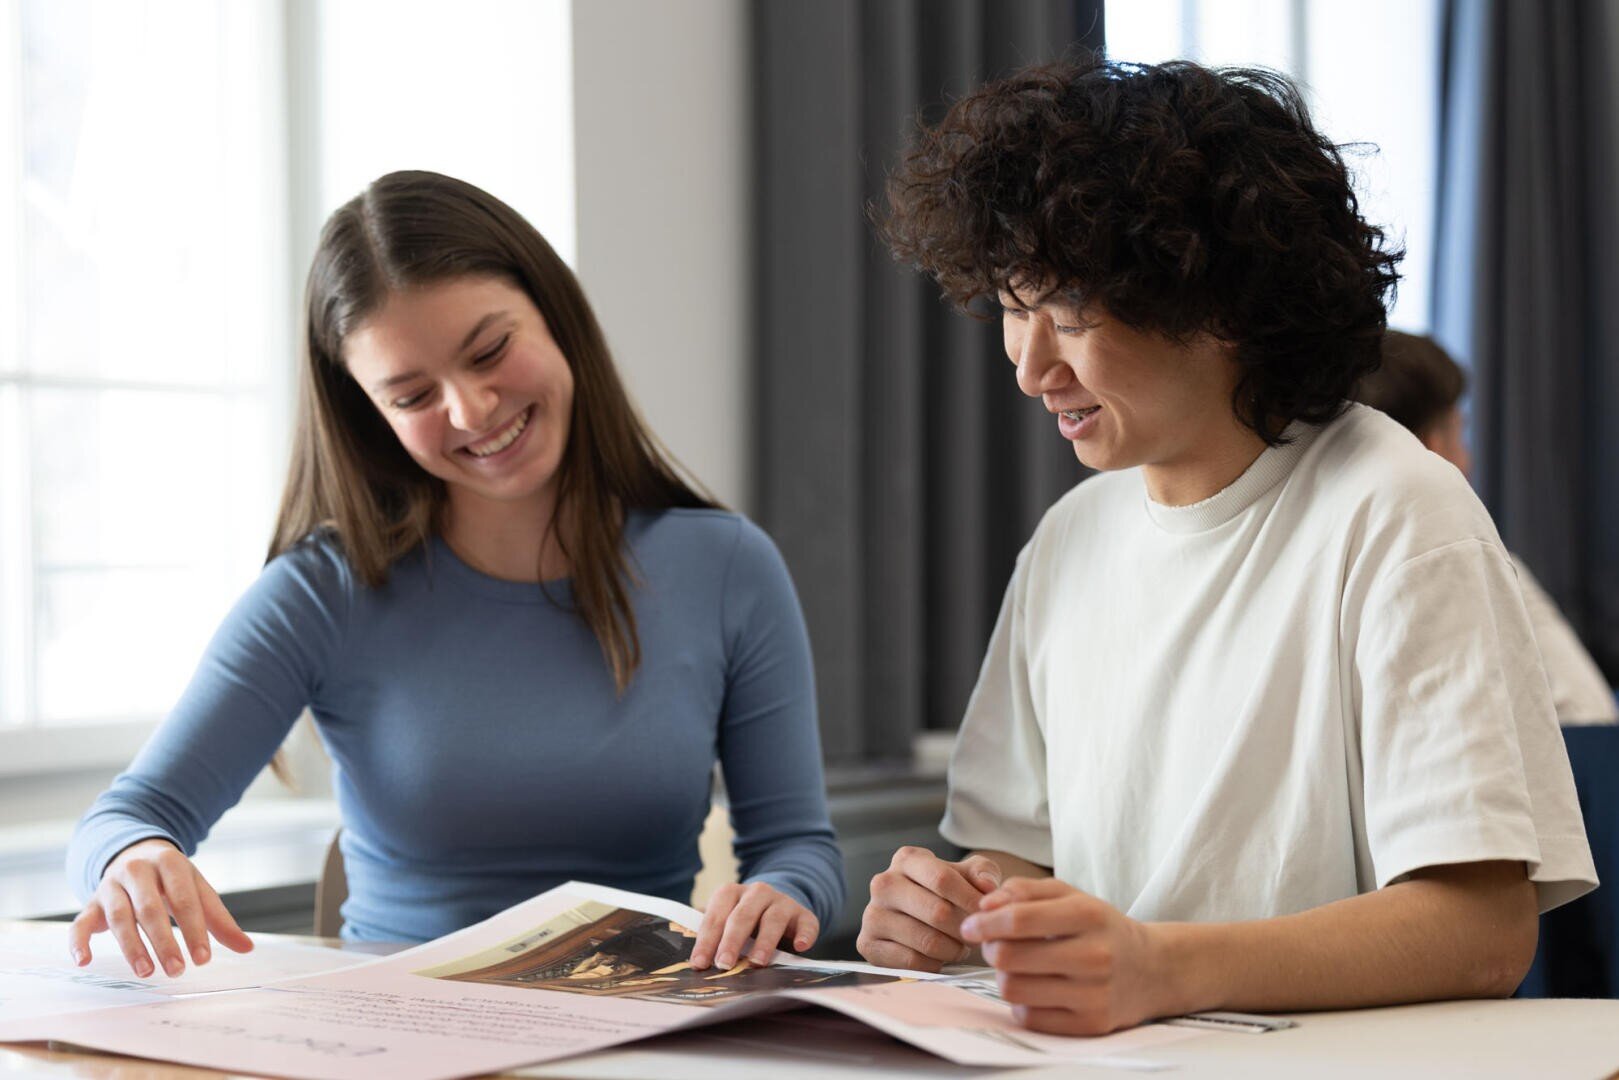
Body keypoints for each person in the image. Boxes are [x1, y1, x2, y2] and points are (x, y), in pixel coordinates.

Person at [856, 58, 1596, 1035]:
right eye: (1010, 306)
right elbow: (1022, 859)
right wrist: (956, 908)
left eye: (1068, 310)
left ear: (1216, 304)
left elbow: (1482, 932)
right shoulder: (1068, 543)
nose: (1031, 367)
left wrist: (1160, 965)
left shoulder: (1394, 512)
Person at [66, 170, 843, 978]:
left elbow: (796, 847)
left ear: (554, 314)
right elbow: (128, 815)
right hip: (395, 1040)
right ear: (369, 415)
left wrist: (781, 894)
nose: (472, 411)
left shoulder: (727, 568)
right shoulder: (321, 593)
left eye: (491, 350)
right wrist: (134, 855)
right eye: (411, 396)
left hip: (640, 1033)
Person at [1355, 330, 1617, 724]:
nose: (1468, 460)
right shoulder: (1473, 558)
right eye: (1461, 433)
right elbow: (1589, 714)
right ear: (1433, 449)